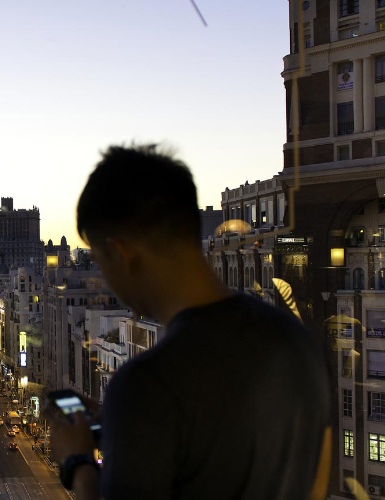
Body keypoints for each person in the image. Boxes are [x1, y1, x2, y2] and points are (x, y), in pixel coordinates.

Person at [46, 144, 332, 499]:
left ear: (122, 253)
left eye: (102, 264)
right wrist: (121, 422)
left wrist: (77, 462)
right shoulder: (295, 338)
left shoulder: (147, 384)